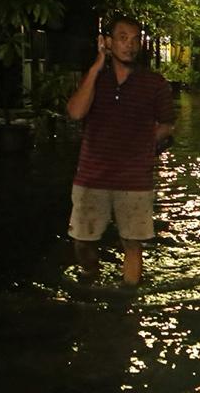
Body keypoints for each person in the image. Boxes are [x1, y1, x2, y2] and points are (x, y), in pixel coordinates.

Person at [65, 16, 175, 286]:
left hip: (134, 178)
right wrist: (95, 68)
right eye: (123, 38)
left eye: (135, 39)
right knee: (82, 242)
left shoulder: (154, 83)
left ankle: (128, 301)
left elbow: (168, 124)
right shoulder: (94, 79)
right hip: (92, 175)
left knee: (132, 242)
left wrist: (144, 145)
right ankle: (91, 276)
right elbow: (76, 112)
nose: (130, 45)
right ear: (108, 42)